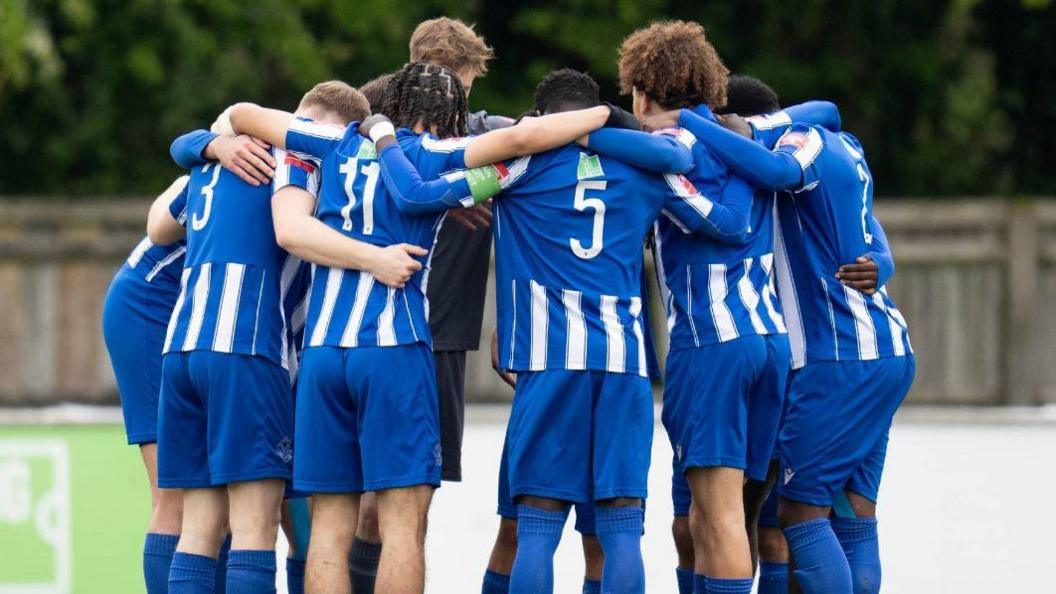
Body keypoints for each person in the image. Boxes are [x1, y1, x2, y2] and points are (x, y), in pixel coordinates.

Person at [225, 61, 618, 593]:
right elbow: (525, 136)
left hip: (322, 353)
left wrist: (212, 143)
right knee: (402, 525)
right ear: (450, 120)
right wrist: (606, 113)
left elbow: (245, 114)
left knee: (330, 529)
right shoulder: (430, 155)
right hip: (393, 347)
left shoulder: (331, 144)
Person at [371, 66, 753, 594]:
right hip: (624, 361)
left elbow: (432, 193)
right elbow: (727, 224)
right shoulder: (646, 170)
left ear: (541, 117)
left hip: (549, 360)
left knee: (537, 527)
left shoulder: (516, 165)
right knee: (621, 528)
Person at [659, 92, 914, 594]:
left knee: (791, 512)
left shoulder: (795, 152)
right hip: (881, 346)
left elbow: (782, 163)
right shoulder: (845, 150)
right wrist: (884, 262)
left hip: (828, 356)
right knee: (851, 510)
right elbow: (870, 229)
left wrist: (692, 121)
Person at [146, 81, 385, 594]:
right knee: (254, 528)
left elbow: (158, 228)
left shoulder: (223, 158)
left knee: (199, 527)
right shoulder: (301, 162)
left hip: (182, 345)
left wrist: (206, 145)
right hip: (246, 344)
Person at [617, 21, 780, 594]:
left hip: (711, 344)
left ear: (641, 91)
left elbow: (724, 223)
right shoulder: (740, 138)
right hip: (769, 340)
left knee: (718, 515)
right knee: (723, 515)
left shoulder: (665, 153)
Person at [349, 21, 513, 592]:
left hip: (354, 337)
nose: (465, 102)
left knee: (355, 500)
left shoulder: (364, 128)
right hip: (426, 334)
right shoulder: (464, 139)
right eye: (463, 84)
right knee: (404, 502)